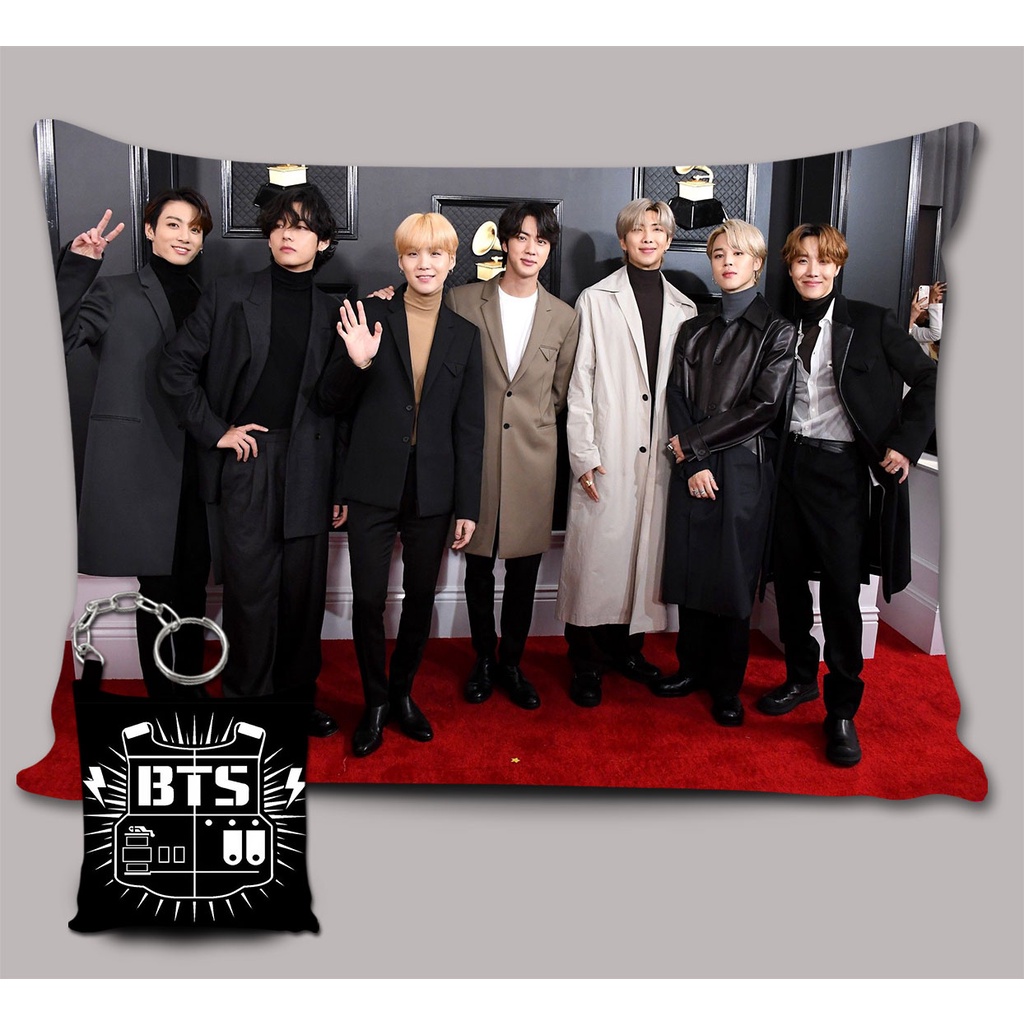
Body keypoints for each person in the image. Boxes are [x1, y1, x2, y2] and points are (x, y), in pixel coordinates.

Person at [159, 184, 344, 736]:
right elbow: (174, 368)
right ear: (268, 234)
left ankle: (296, 699)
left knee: (303, 596)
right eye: (280, 224)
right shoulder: (229, 294)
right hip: (249, 460)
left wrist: (338, 486)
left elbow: (340, 408)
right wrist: (217, 431)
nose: (288, 234)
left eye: (302, 226)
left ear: (323, 241)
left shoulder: (336, 310)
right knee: (251, 594)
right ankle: (247, 706)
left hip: (310, 465)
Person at [755, 223, 937, 766]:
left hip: (842, 475)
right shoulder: (779, 327)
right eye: (801, 261)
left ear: (837, 266)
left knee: (838, 592)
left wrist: (905, 444)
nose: (812, 271)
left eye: (823, 261)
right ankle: (799, 679)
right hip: (787, 468)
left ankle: (841, 711)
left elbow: (929, 379)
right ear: (789, 268)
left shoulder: (872, 321)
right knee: (787, 582)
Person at [316, 213, 484, 757]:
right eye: (413, 254)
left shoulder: (465, 336)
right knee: (367, 600)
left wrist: (468, 504)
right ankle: (374, 702)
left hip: (433, 489)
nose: (424, 264)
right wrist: (356, 363)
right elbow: (332, 404)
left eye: (435, 254)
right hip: (371, 484)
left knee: (420, 599)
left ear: (452, 261)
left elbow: (470, 428)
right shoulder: (368, 315)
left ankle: (402, 694)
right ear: (400, 260)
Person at [57, 191, 213, 699]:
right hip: (142, 462)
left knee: (194, 581)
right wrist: (80, 265)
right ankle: (167, 698)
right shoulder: (114, 291)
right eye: (173, 224)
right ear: (149, 231)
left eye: (195, 228)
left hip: (200, 460)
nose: (184, 236)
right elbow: (55, 336)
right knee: (159, 588)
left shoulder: (211, 296)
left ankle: (189, 685)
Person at [556, 198, 697, 707]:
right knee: (595, 559)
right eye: (638, 230)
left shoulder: (686, 307)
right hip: (607, 448)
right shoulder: (595, 299)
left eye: (657, 230)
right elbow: (579, 383)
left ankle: (627, 651)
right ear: (623, 239)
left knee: (641, 558)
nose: (648, 238)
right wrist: (584, 454)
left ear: (669, 239)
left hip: (659, 452)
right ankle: (586, 662)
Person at [656, 220, 795, 726]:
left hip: (742, 466)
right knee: (693, 567)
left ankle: (727, 687)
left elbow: (763, 407)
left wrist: (695, 444)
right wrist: (692, 460)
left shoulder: (779, 330)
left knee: (733, 577)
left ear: (757, 263)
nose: (727, 262)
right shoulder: (694, 328)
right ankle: (690, 668)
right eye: (718, 255)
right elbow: (675, 395)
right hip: (694, 463)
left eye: (738, 254)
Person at [446, 202, 579, 710]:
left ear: (549, 249)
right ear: (505, 243)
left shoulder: (564, 317)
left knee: (524, 572)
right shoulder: (462, 300)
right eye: (522, 237)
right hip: (475, 456)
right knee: (478, 567)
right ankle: (483, 658)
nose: (530, 248)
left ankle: (512, 663)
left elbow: (559, 394)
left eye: (541, 241)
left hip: (534, 460)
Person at [909, 281, 945, 360]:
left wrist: (933, 302)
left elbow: (935, 334)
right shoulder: (911, 329)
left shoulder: (914, 330)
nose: (927, 316)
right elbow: (935, 334)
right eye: (927, 307)